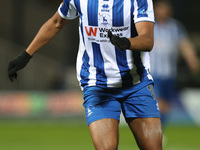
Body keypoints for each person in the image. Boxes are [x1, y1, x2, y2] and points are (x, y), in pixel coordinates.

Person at [8, 0, 162, 149]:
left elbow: (147, 40)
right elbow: (56, 23)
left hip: (136, 83)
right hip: (97, 84)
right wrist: (26, 55)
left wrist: (127, 43)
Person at [149, 0, 199, 129]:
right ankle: (154, 129)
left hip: (170, 73)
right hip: (153, 72)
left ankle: (159, 130)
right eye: (160, 9)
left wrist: (192, 60)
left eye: (165, 9)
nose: (163, 11)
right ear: (155, 10)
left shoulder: (175, 27)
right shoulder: (149, 26)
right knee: (158, 102)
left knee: (166, 104)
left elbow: (184, 44)